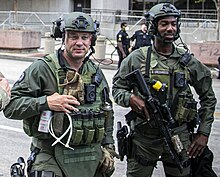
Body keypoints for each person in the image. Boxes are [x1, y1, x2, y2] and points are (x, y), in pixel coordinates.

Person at [4, 12, 118, 177]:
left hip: (89, 154)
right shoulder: (42, 69)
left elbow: (107, 112)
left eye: (85, 37)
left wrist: (108, 147)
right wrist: (46, 102)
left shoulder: (95, 73)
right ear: (63, 38)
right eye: (73, 36)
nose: (79, 42)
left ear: (91, 41)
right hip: (51, 153)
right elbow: (11, 107)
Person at [112, 3, 217, 177]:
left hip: (179, 136)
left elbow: (208, 97)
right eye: (164, 24)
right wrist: (130, 98)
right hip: (144, 138)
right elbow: (117, 88)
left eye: (173, 24)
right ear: (153, 26)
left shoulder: (187, 61)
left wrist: (203, 133)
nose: (170, 28)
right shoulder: (137, 58)